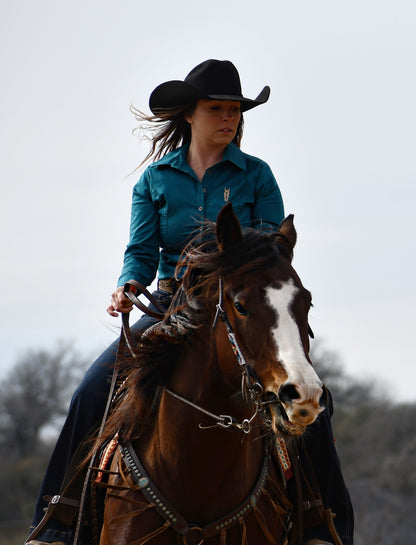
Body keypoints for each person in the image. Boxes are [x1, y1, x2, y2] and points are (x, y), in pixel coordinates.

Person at [26, 59, 353, 545]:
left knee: (309, 401)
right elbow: (140, 250)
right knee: (91, 391)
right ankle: (58, 520)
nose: (229, 118)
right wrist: (127, 285)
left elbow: (271, 251)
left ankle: (320, 524)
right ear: (189, 116)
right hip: (169, 306)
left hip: (241, 305)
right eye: (217, 109)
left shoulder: (257, 176)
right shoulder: (155, 180)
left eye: (235, 110)